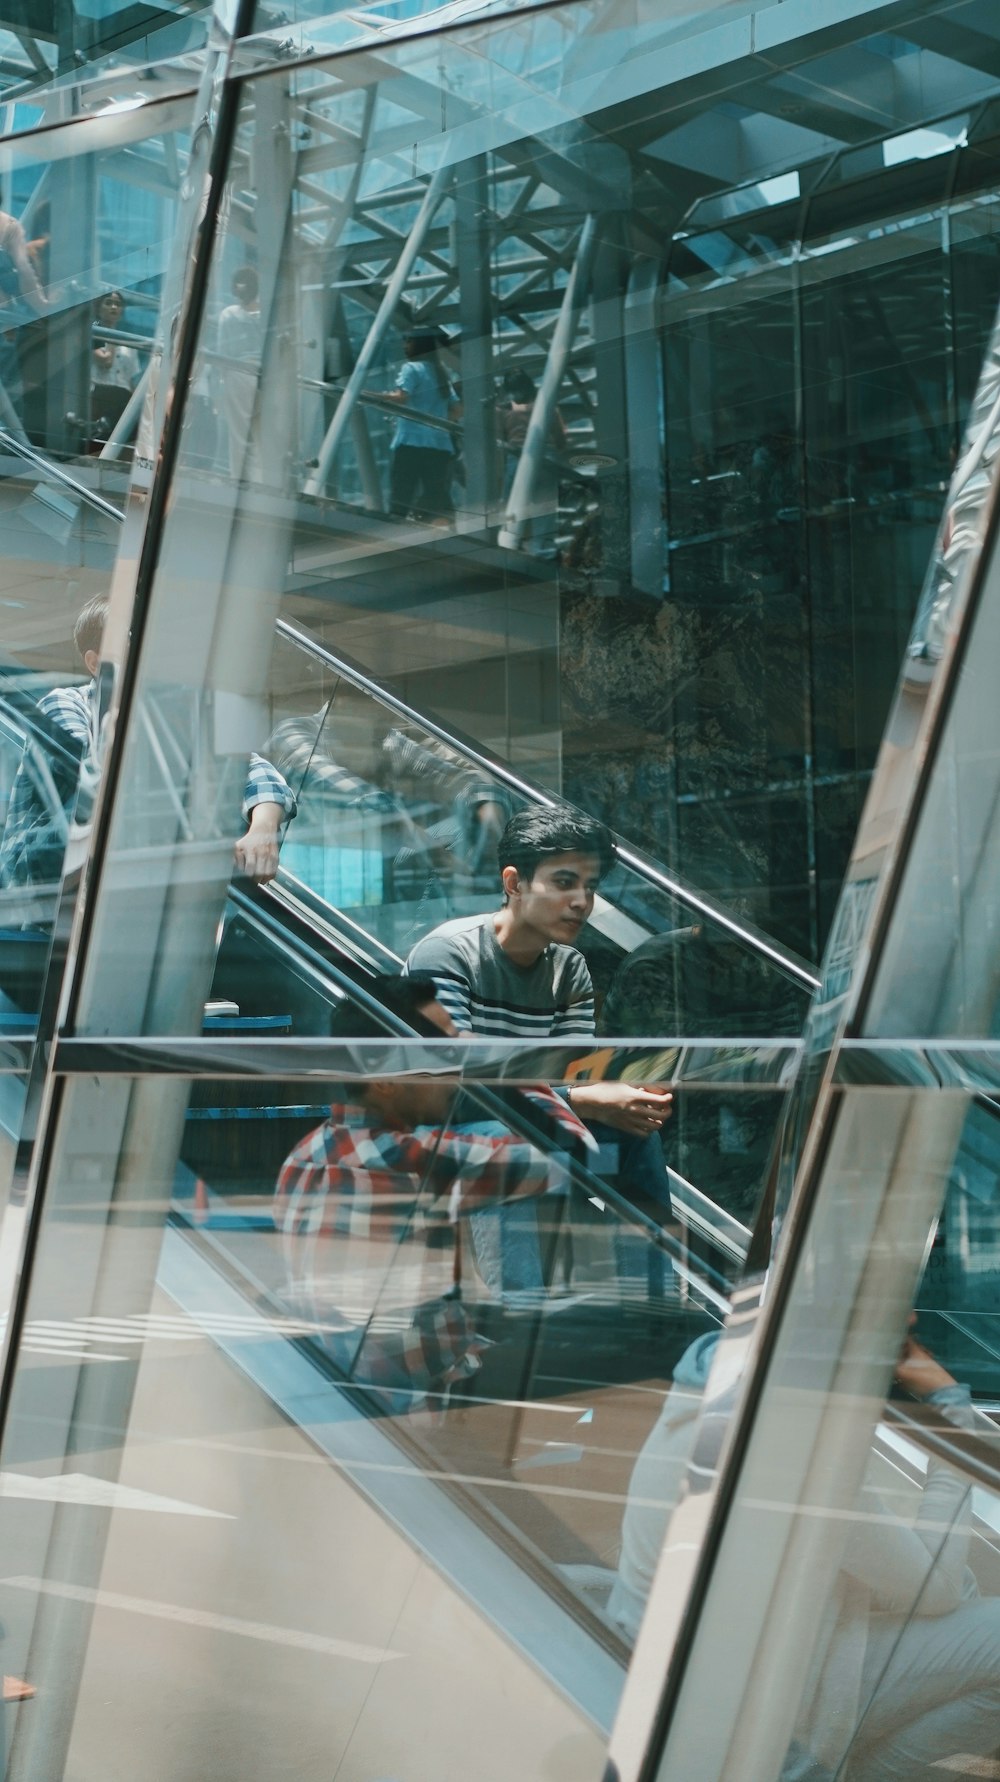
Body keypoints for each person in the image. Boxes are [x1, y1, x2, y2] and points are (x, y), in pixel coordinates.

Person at [608, 1321, 1000, 1782]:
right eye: (898, 1308)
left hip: (689, 1671)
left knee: (958, 1585)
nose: (913, 1321)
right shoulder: (792, 1438)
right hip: (757, 1713)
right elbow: (934, 1588)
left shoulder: (729, 1377)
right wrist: (948, 1403)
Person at [273, 972, 591, 1410]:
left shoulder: (302, 1155)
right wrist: (502, 1065)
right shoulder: (416, 1161)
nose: (455, 1066)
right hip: (414, 1403)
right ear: (384, 1076)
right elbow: (575, 1157)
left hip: (334, 1381)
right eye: (442, 1050)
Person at [404, 808, 674, 1293]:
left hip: (533, 1119)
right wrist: (580, 1100)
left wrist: (613, 1089)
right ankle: (520, 1310)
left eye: (590, 887)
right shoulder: (447, 954)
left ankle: (653, 1300)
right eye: (565, 882)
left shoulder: (569, 967)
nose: (581, 902)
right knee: (500, 1140)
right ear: (515, 882)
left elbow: (573, 1070)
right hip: (446, 1127)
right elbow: (455, 1086)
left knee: (635, 1134)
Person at [0, 594, 296, 894]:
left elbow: (252, 768)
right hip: (38, 878)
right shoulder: (65, 705)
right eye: (135, 642)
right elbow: (105, 783)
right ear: (95, 663)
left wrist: (263, 828)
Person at [383, 330, 459, 522]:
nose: (404, 345)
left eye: (408, 341)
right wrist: (437, 422)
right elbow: (458, 409)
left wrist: (370, 395)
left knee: (402, 490)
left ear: (419, 345)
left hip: (411, 441)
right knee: (435, 493)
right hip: (439, 444)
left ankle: (395, 530)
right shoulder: (441, 373)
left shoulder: (412, 368)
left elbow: (401, 397)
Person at [497, 368, 567, 558]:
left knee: (511, 506)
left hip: (516, 460)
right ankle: (543, 550)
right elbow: (561, 439)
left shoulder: (504, 412)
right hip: (547, 461)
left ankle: (508, 545)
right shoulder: (548, 407)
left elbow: (499, 440)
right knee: (545, 508)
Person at [216, 265, 261, 480]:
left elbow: (223, 352)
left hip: (239, 373)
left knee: (239, 433)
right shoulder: (267, 315)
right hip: (266, 377)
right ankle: (261, 480)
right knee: (263, 433)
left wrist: (222, 381)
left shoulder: (229, 314)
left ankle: (240, 479)